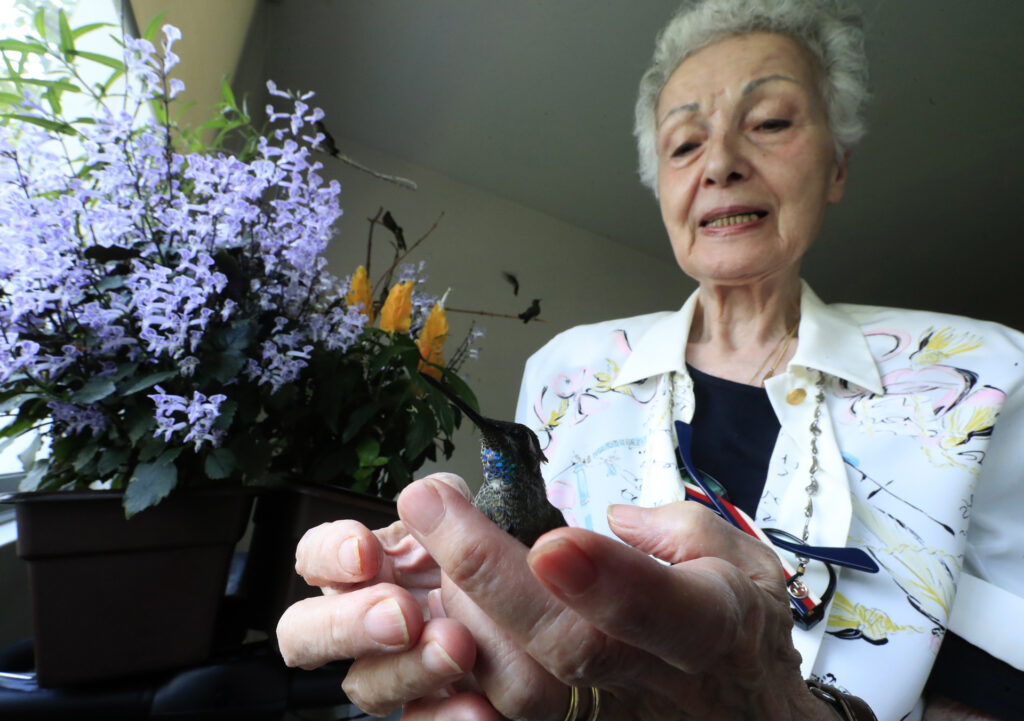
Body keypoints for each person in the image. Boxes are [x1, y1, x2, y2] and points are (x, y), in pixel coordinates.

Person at [276, 1, 1024, 719]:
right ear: (662, 186)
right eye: (685, 143)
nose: (722, 162)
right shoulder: (569, 369)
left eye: (768, 122)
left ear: (836, 164)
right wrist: (457, 611)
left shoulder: (982, 374)